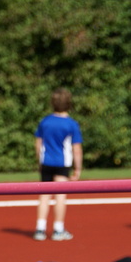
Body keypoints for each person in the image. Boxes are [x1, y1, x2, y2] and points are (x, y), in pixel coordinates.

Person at [33, 88, 83, 241]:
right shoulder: (71, 124)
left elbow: (38, 143)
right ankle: (58, 229)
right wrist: (78, 168)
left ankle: (40, 229)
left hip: (46, 162)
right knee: (60, 196)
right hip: (62, 163)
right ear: (69, 104)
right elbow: (76, 149)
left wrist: (39, 161)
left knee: (44, 196)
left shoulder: (45, 121)